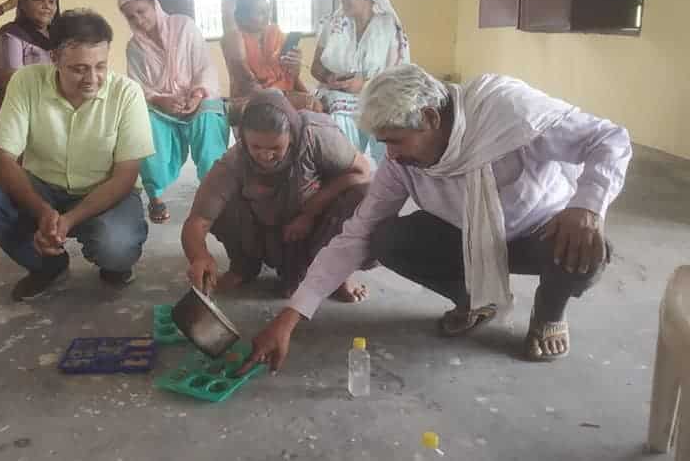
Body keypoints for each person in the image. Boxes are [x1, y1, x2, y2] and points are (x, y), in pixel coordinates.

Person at [238, 64, 632, 375]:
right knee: (385, 237)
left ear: (428, 117)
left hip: (538, 231)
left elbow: (609, 139)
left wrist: (587, 206)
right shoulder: (401, 163)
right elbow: (356, 233)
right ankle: (476, 300)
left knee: (587, 249)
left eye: (395, 140)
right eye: (384, 143)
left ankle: (549, 314)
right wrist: (290, 317)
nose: (390, 155)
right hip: (468, 240)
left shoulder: (507, 110)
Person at [0, 9, 154, 301]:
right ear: (54, 58)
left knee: (116, 247)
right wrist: (44, 211)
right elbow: (0, 157)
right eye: (79, 69)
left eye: (101, 66)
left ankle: (113, 263)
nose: (92, 78)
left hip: (104, 193)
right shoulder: (26, 83)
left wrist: (67, 220)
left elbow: (126, 175)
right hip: (43, 188)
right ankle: (49, 265)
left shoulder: (127, 93)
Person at [183, 89, 372, 300]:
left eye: (275, 147)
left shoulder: (316, 136)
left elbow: (362, 173)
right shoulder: (234, 161)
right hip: (269, 236)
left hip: (315, 228)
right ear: (243, 138)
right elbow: (197, 221)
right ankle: (243, 266)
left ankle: (338, 273)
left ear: (290, 136)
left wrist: (310, 212)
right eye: (256, 147)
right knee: (221, 204)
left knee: (362, 197)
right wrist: (199, 256)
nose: (265, 155)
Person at [118, 0, 229, 224]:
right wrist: (161, 100)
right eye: (131, 16)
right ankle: (155, 196)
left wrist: (197, 95)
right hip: (161, 105)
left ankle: (214, 192)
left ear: (154, 5)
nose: (138, 19)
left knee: (209, 121)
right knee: (141, 123)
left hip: (197, 96)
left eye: (141, 11)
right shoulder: (134, 47)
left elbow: (204, 65)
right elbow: (138, 87)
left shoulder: (184, 26)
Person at [311, 0, 409, 162]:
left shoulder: (389, 27)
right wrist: (329, 78)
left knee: (391, 114)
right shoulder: (334, 24)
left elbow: (399, 75)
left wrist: (364, 85)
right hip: (338, 95)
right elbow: (315, 67)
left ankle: (388, 174)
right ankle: (346, 167)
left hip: (378, 94)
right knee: (337, 108)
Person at [220, 0, 318, 111]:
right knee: (311, 105)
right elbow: (245, 82)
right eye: (260, 12)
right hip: (253, 99)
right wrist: (273, 95)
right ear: (243, 17)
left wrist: (294, 66)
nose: (267, 16)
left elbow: (291, 76)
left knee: (316, 105)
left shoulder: (275, 32)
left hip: (283, 93)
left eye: (267, 10)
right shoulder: (234, 40)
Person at [0, 0, 59, 136]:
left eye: (52, 2)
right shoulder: (9, 37)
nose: (47, 6)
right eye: (39, 0)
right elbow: (10, 86)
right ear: (23, 4)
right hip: (16, 116)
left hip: (53, 113)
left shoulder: (59, 38)